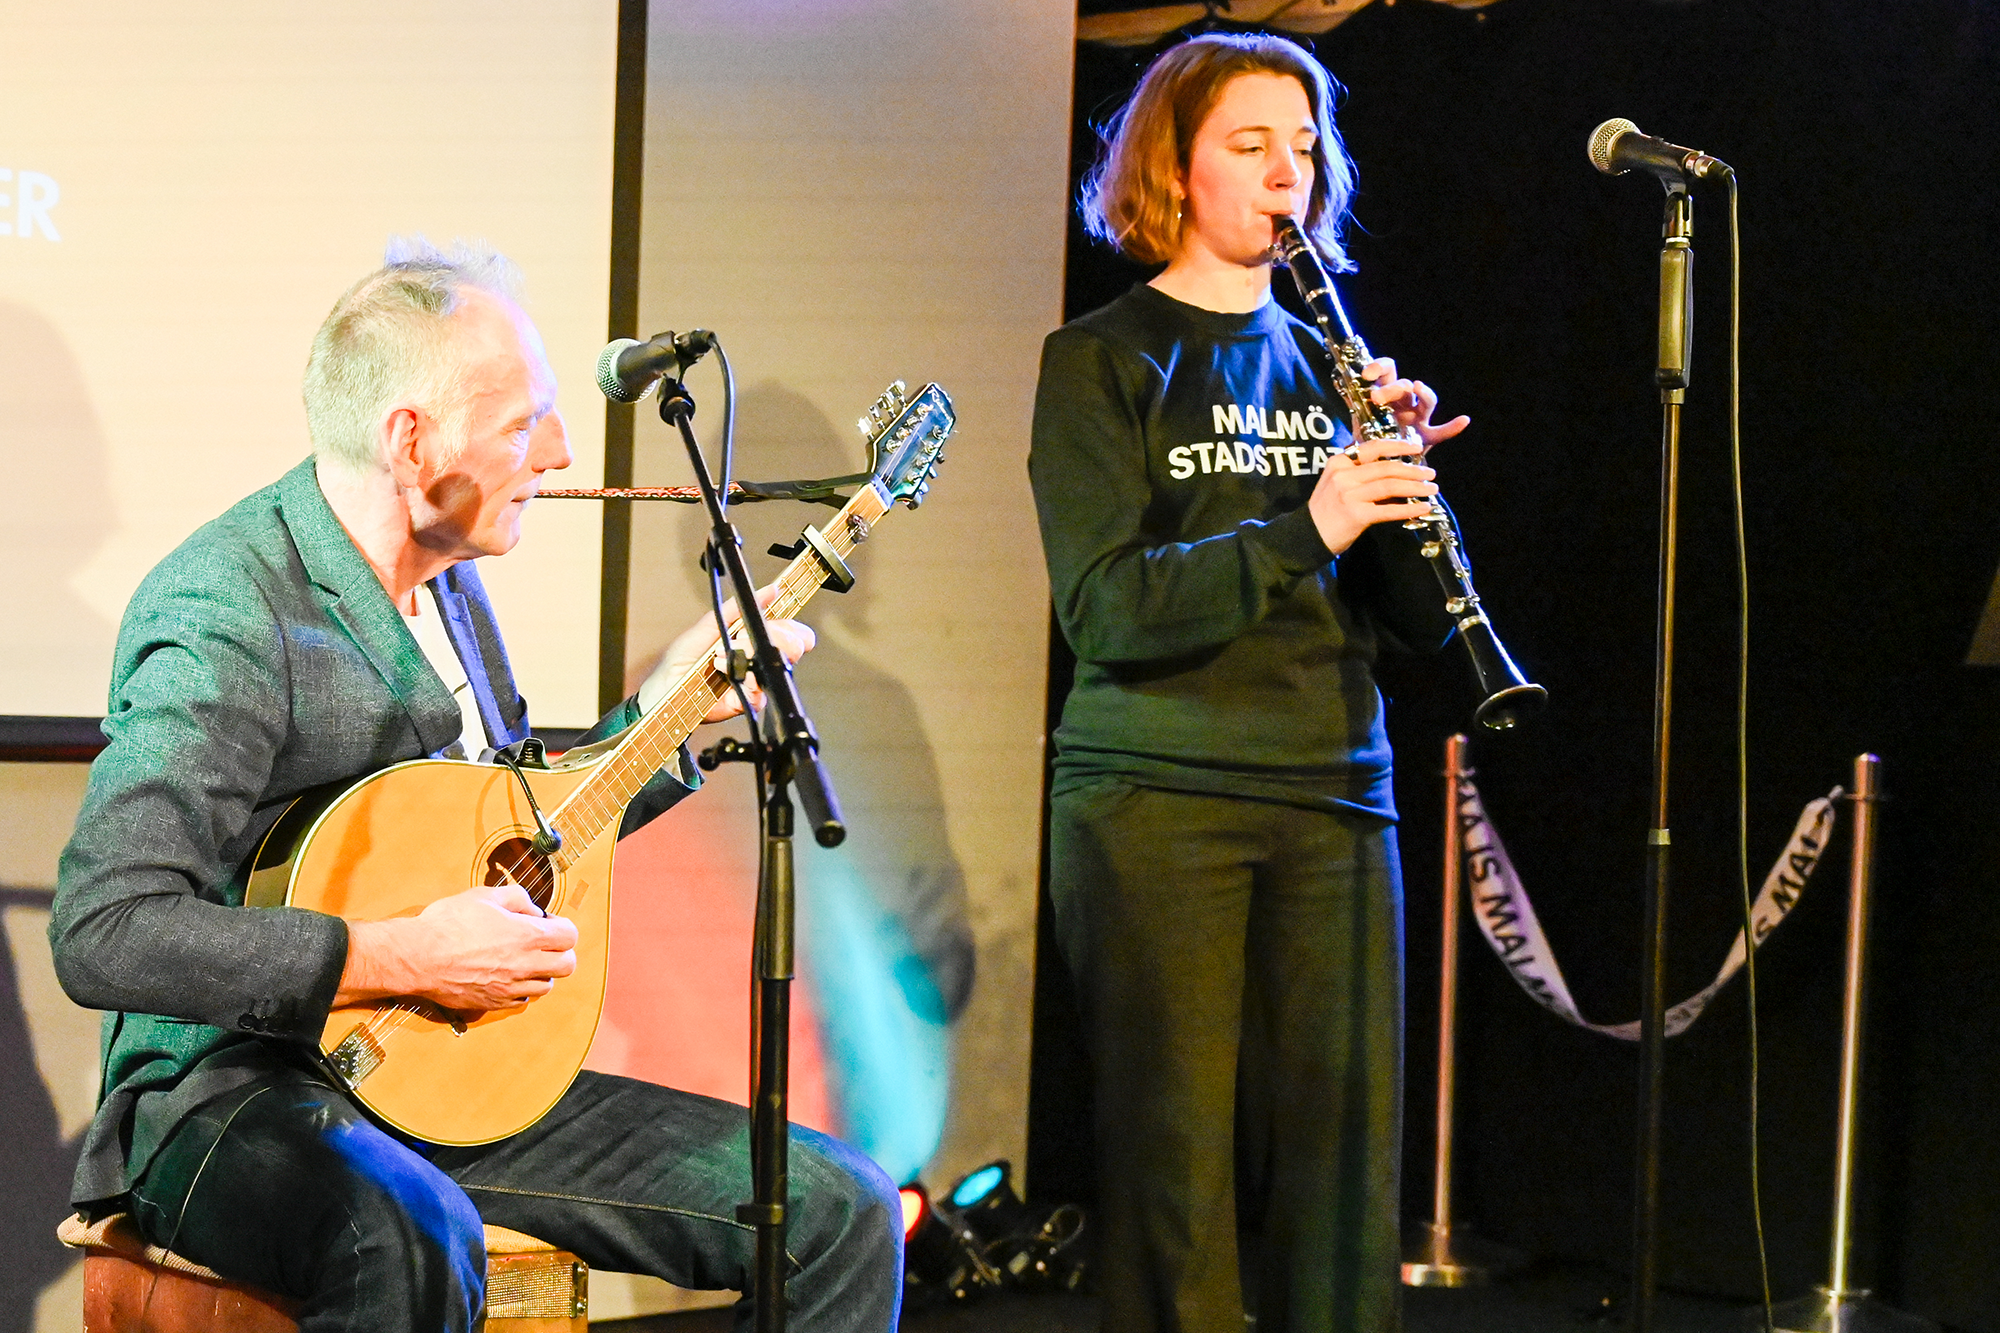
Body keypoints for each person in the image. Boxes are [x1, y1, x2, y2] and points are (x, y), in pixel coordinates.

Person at [49, 239, 902, 1332]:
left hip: (436, 1073)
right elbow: (105, 930)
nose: (553, 451)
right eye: (521, 420)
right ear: (410, 440)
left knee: (838, 1208)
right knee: (408, 1227)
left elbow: (515, 833)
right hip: (225, 1091)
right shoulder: (227, 610)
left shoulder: (451, 586)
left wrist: (670, 711)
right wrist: (404, 953)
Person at [1029, 33, 1470, 1333]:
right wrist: (1313, 518)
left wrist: (1397, 494)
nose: (1288, 171)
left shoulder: (1336, 369)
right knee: (1177, 1168)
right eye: (1249, 142)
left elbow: (1419, 628)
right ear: (1174, 163)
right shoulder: (1102, 361)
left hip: (1336, 786)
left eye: (1303, 143)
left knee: (1345, 1163)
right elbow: (1108, 609)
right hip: (1160, 795)